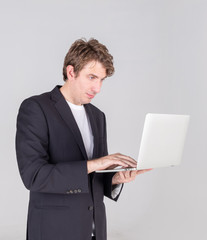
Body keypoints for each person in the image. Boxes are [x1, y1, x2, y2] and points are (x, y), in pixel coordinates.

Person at [15, 38, 151, 240]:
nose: (97, 88)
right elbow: (34, 176)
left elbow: (95, 177)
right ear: (71, 72)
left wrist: (115, 179)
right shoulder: (36, 108)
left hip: (94, 231)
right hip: (54, 231)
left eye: (102, 80)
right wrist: (94, 164)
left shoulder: (98, 116)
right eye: (92, 77)